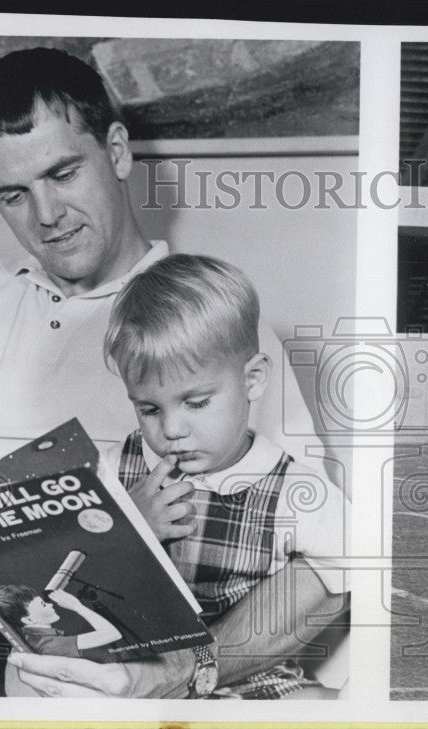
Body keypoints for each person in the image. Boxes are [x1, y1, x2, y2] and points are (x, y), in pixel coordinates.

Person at [0, 47, 341, 699]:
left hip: (129, 657)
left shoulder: (209, 321)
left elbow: (326, 569)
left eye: (63, 173)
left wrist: (179, 676)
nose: (46, 216)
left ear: (117, 151)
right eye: (13, 194)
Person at [90, 253, 349, 698]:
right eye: (149, 408)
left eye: (196, 402)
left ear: (252, 381)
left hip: (248, 679)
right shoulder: (117, 469)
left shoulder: (295, 490)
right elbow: (71, 572)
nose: (171, 430)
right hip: (131, 673)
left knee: (318, 706)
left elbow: (353, 564)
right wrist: (126, 532)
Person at [0, 586, 123, 658]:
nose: (51, 605)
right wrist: (77, 606)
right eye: (43, 605)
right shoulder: (49, 645)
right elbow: (112, 634)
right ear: (29, 619)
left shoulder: (31, 638)